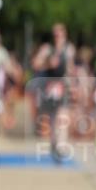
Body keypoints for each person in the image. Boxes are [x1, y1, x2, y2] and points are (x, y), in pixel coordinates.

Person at [30, 23, 75, 161]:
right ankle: (54, 145)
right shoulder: (47, 49)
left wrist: (70, 83)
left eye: (60, 33)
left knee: (63, 116)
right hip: (49, 88)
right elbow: (35, 64)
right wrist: (48, 63)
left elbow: (70, 69)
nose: (58, 37)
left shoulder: (69, 49)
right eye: (55, 34)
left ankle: (61, 146)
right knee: (53, 119)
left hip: (62, 86)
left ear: (65, 34)